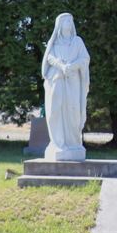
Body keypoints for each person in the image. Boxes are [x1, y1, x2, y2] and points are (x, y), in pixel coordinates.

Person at [42, 13, 90, 161]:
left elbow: (84, 57)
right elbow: (49, 57)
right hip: (56, 80)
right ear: (60, 25)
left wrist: (72, 66)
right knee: (55, 111)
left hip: (73, 81)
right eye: (66, 21)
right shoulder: (54, 43)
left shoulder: (77, 41)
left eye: (71, 21)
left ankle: (73, 143)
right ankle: (58, 143)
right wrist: (62, 66)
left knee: (73, 111)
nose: (70, 23)